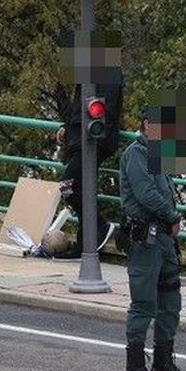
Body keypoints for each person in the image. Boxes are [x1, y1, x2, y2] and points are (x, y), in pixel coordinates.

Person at [118, 106, 186, 371]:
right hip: (145, 237)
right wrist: (173, 217)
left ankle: (163, 362)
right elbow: (146, 193)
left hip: (163, 239)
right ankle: (135, 367)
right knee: (144, 302)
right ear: (147, 125)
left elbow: (165, 192)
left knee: (170, 301)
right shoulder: (135, 154)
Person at [57, 81, 122, 257]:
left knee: (68, 186)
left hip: (94, 137)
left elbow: (103, 107)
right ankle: (86, 242)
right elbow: (80, 101)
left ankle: (99, 227)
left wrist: (94, 130)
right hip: (84, 137)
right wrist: (67, 126)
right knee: (80, 188)